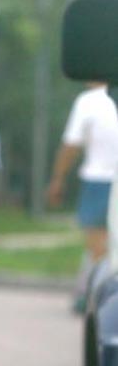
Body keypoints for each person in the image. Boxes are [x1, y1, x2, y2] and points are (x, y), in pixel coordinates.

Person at [47, 82, 118, 312]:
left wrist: (58, 179)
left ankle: (99, 302)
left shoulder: (88, 101)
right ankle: (87, 294)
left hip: (98, 180)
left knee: (99, 247)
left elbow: (71, 145)